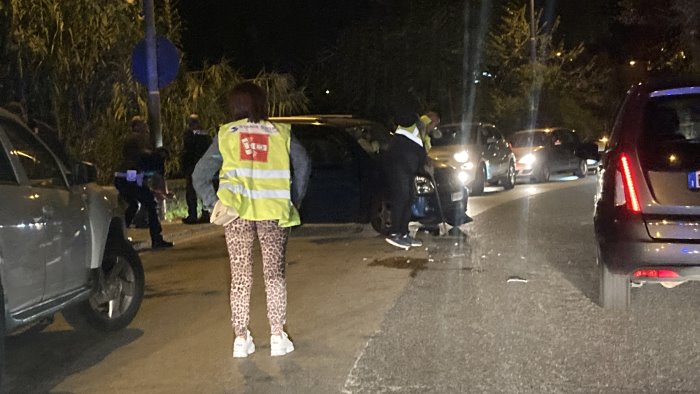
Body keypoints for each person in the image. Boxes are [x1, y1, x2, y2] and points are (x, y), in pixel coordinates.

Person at [192, 82, 311, 358]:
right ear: (261, 104)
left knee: (241, 277)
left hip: (237, 215)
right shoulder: (280, 132)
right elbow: (303, 162)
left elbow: (199, 175)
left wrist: (215, 204)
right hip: (272, 212)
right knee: (274, 275)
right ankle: (278, 336)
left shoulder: (226, 134)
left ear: (235, 106)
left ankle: (241, 338)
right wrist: (295, 198)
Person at [114, 116, 173, 249]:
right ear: (136, 126)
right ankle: (156, 239)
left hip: (125, 175)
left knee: (134, 204)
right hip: (130, 174)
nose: (146, 127)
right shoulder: (137, 139)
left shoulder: (131, 140)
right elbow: (137, 170)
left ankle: (120, 236)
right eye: (143, 125)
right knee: (149, 204)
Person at [383, 96, 429, 250]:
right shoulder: (407, 124)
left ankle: (403, 233)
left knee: (409, 198)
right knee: (402, 198)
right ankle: (396, 233)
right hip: (400, 167)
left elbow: (419, 149)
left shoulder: (415, 126)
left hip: (409, 168)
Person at [181, 113, 213, 224]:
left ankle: (193, 215)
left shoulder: (188, 134)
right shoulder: (205, 133)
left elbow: (187, 151)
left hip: (192, 166)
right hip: (204, 166)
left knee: (191, 192)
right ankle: (205, 214)